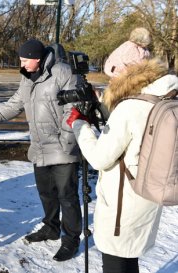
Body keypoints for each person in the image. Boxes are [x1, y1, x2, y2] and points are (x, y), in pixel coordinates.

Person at [0, 39, 82, 262]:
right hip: (39, 148)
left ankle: (71, 239)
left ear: (38, 59)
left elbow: (74, 108)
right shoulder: (27, 77)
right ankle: (51, 228)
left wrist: (66, 142)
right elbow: (14, 104)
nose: (21, 64)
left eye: (24, 60)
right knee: (46, 193)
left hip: (62, 148)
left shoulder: (63, 73)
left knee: (67, 197)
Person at [67, 58, 178, 273]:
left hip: (122, 202)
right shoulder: (166, 98)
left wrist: (79, 124)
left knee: (116, 261)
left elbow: (100, 157)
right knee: (129, 258)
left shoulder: (129, 108)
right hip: (147, 192)